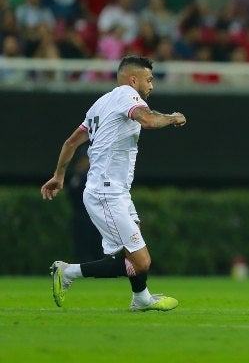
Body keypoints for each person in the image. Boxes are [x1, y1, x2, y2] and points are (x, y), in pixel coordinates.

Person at [41, 55, 187, 312]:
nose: (151, 85)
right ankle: (68, 272)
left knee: (132, 254)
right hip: (106, 192)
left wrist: (59, 175)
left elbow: (71, 142)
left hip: (116, 191)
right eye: (149, 79)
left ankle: (140, 298)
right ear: (133, 80)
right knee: (140, 261)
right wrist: (174, 117)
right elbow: (149, 120)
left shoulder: (100, 104)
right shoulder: (127, 95)